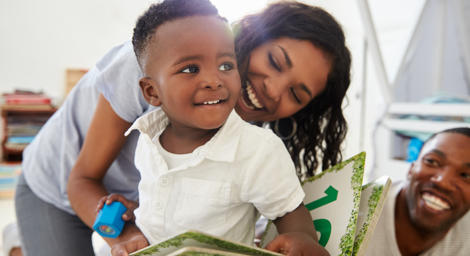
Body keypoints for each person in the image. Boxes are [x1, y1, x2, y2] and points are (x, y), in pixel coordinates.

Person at [14, 0, 351, 255]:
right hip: (59, 189)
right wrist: (128, 238)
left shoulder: (258, 142)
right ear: (251, 34)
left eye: (296, 93)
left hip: (136, 204)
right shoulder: (150, 68)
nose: (273, 90)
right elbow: (82, 180)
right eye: (275, 61)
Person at [98, 2, 324, 255]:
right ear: (152, 91)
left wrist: (302, 238)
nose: (213, 80)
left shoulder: (258, 149)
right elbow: (172, 204)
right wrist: (134, 211)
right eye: (190, 69)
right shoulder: (147, 139)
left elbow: (289, 211)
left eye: (226, 66)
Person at [365, 127, 470, 256]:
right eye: (432, 161)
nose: (443, 182)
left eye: (466, 176)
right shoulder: (352, 213)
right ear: (412, 168)